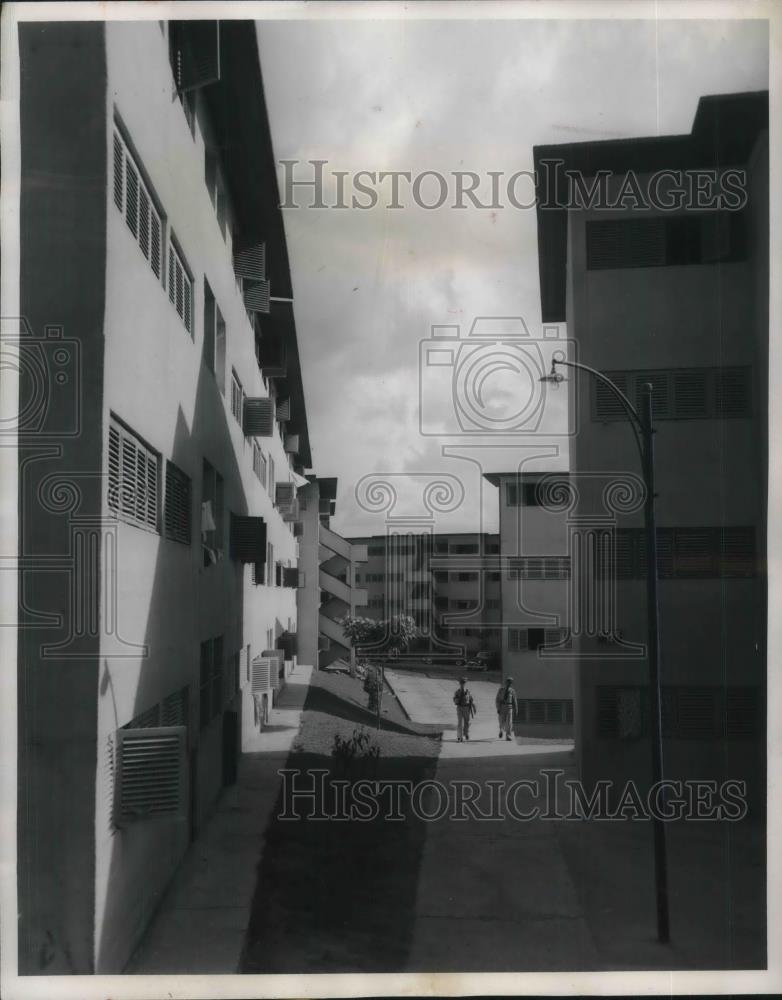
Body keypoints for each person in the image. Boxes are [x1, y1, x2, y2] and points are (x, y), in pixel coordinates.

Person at [453, 676, 476, 742]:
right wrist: (457, 700)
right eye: (461, 682)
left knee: (467, 722)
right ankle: (460, 737)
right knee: (460, 722)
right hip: (460, 708)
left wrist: (474, 707)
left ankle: (466, 733)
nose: (462, 684)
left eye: (464, 682)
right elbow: (454, 700)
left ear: (465, 683)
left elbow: (471, 700)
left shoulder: (468, 691)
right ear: (460, 683)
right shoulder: (457, 692)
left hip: (466, 708)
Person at [495, 676, 518, 741]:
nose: (509, 683)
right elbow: (497, 700)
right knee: (501, 721)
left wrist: (516, 709)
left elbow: (514, 700)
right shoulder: (501, 690)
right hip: (502, 707)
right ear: (506, 682)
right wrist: (498, 708)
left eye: (510, 682)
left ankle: (508, 736)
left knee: (509, 722)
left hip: (509, 708)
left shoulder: (512, 691)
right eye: (508, 682)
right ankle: (501, 730)